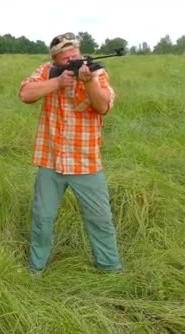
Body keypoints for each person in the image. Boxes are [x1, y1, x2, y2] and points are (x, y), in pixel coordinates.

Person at [18, 32, 122, 275]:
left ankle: (110, 269)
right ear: (55, 61)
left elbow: (103, 106)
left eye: (74, 55)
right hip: (50, 160)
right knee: (42, 219)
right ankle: (36, 268)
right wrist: (56, 83)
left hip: (85, 161)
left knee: (100, 219)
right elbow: (25, 94)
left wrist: (88, 82)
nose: (72, 60)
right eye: (66, 59)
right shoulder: (46, 71)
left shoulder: (96, 72)